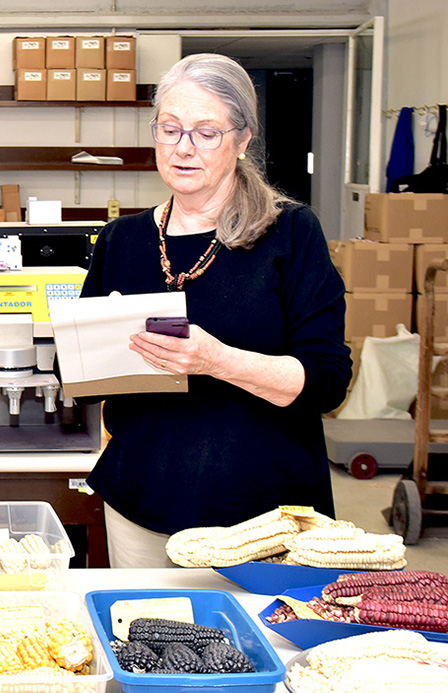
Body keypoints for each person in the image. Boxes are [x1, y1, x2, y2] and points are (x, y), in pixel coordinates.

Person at [81, 54, 352, 567]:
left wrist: (217, 360)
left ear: (243, 139)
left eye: (206, 133)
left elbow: (328, 381)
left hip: (263, 519)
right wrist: (96, 345)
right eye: (170, 129)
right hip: (141, 501)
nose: (183, 148)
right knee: (137, 638)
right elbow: (82, 380)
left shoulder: (291, 233)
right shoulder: (122, 239)